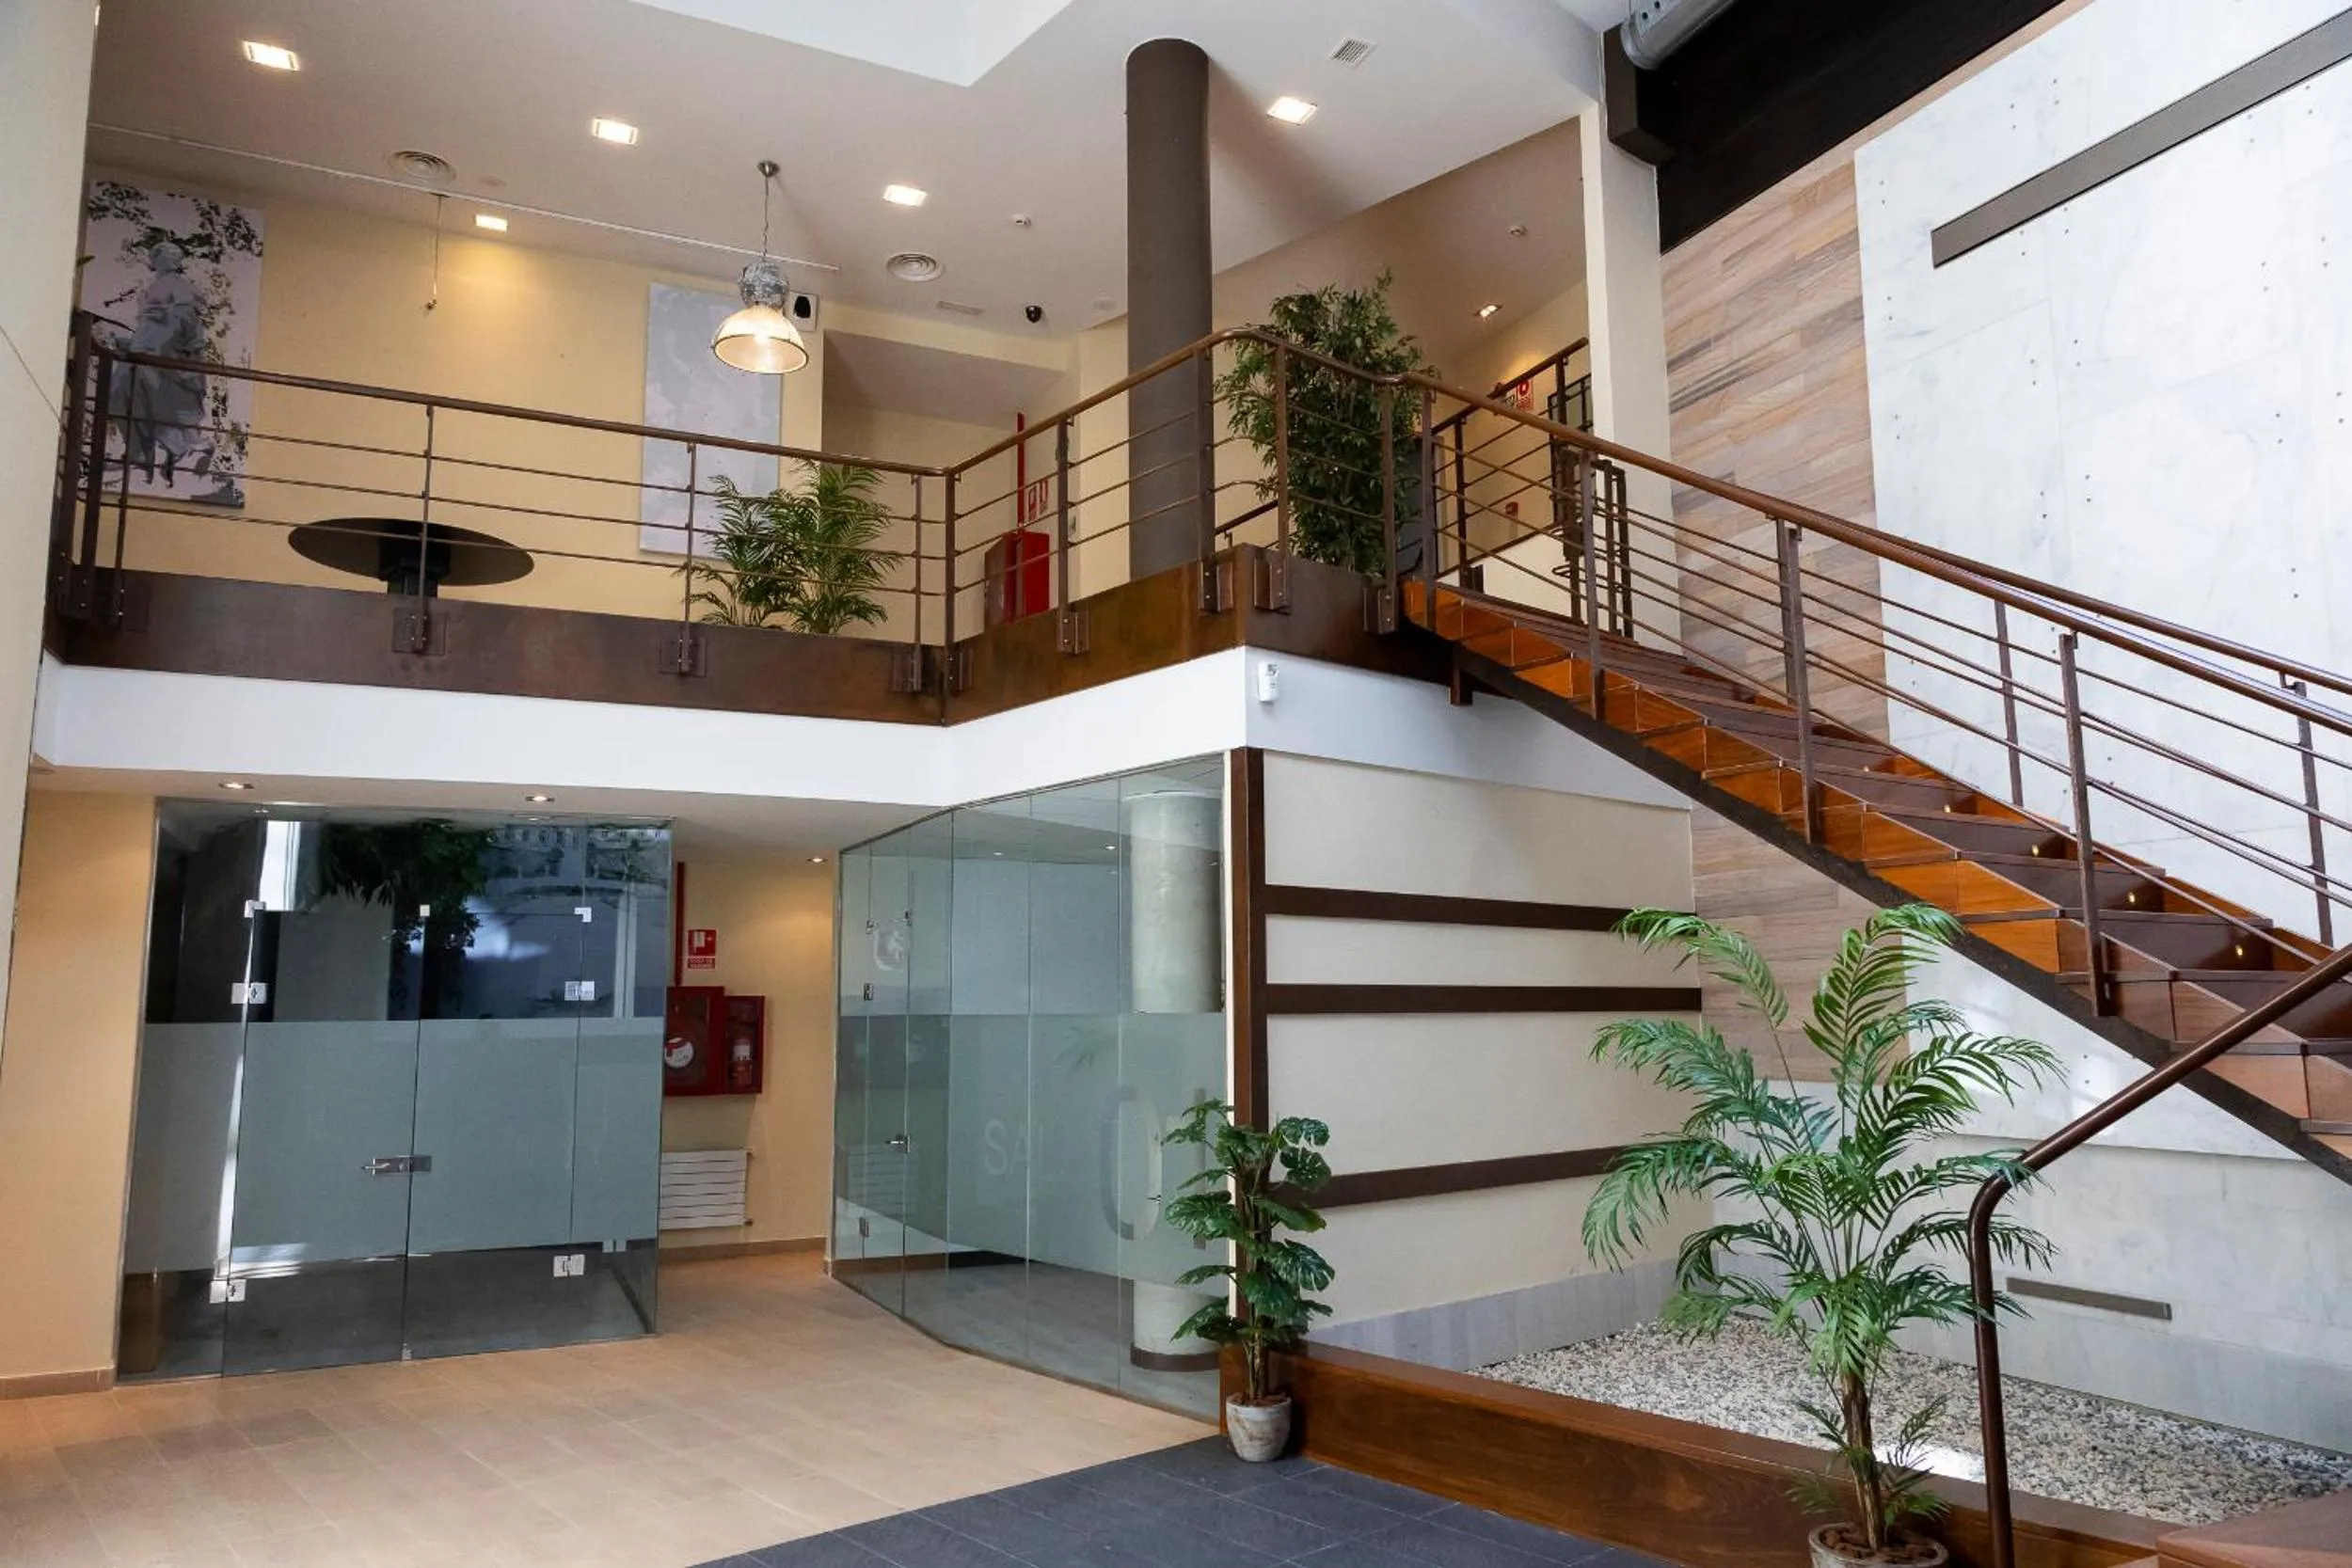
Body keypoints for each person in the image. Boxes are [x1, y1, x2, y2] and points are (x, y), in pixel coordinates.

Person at [109, 241, 212, 489]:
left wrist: (148, 347)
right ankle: (140, 454)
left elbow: (181, 325)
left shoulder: (179, 287)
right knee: (118, 390)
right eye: (159, 256)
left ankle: (175, 449)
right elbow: (150, 328)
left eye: (166, 256)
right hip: (145, 354)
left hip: (164, 361)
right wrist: (130, 343)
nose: (161, 260)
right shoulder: (157, 286)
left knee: (134, 385)